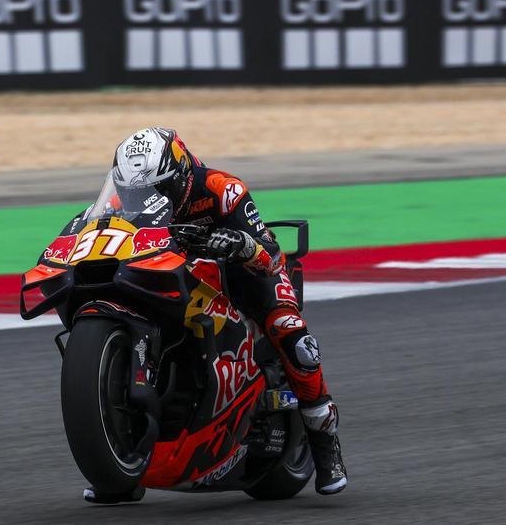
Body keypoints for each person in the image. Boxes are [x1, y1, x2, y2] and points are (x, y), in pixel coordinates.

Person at [109, 127, 348, 495]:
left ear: (182, 176)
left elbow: (270, 256)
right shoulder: (123, 202)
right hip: (176, 278)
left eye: (159, 189)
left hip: (244, 276)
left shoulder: (223, 190)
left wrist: (241, 243)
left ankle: (325, 445)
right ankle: (117, 467)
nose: (145, 198)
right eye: (135, 192)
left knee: (291, 334)